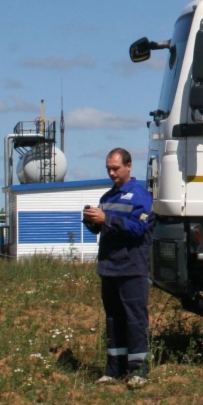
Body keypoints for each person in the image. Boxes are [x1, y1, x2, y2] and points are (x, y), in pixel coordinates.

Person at [83, 148, 154, 387]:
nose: (112, 173)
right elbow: (104, 229)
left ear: (129, 166)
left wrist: (107, 219)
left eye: (116, 168)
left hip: (132, 268)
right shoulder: (107, 198)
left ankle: (138, 372)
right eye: (109, 169)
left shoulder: (140, 196)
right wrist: (92, 221)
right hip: (109, 268)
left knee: (135, 320)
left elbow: (138, 229)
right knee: (113, 319)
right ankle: (113, 370)